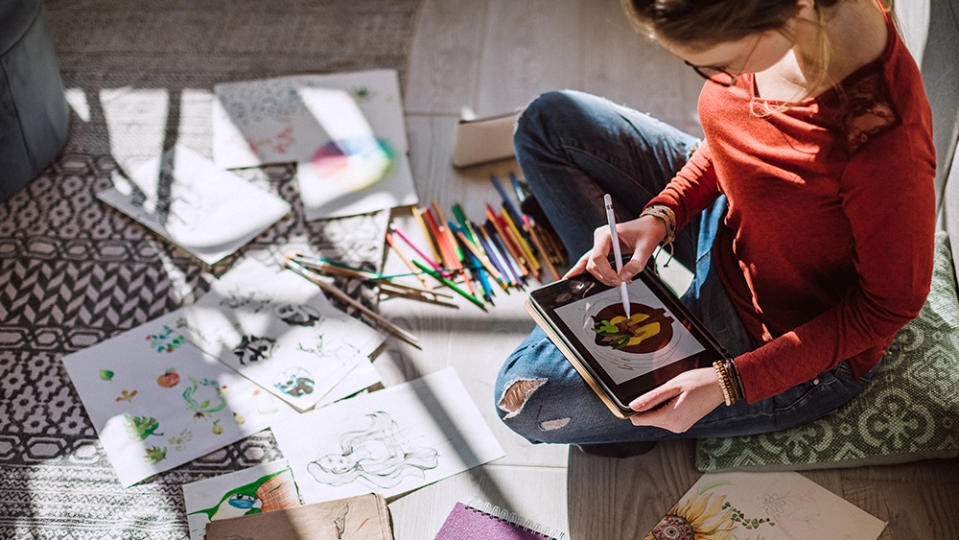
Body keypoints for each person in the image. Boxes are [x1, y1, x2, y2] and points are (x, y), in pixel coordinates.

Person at [494, 0, 935, 456]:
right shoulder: (794, 26)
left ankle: (632, 385)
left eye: (719, 66)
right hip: (727, 220)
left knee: (523, 400)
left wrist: (727, 382)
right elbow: (733, 137)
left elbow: (890, 306)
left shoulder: (885, 148)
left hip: (775, 339)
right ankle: (631, 328)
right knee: (548, 123)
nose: (712, 78)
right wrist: (660, 215)